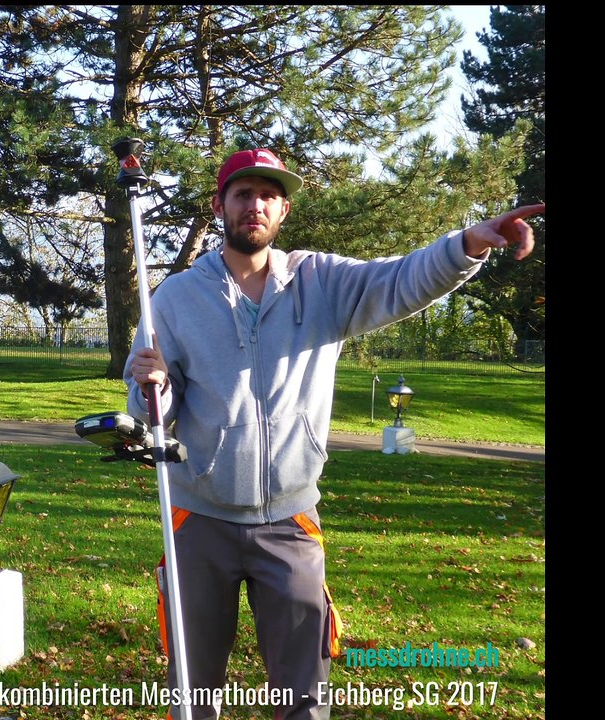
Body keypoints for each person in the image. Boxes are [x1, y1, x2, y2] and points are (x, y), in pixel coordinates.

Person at [125, 147, 543, 720]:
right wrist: (152, 387)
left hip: (290, 522)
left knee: (304, 694)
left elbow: (402, 280)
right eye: (243, 193)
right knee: (193, 691)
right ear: (221, 204)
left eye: (268, 195)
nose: (256, 205)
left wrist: (468, 243)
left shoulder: (321, 282)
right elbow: (153, 413)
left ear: (284, 210)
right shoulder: (173, 297)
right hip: (198, 520)